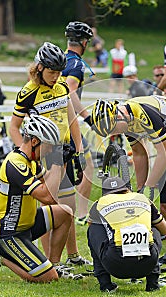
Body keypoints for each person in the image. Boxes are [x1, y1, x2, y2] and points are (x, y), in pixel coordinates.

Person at [91, 95, 166, 285]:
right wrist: (139, 191)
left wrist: (149, 187)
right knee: (164, 208)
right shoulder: (125, 121)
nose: (113, 134)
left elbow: (165, 152)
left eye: (112, 129)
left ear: (117, 116)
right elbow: (139, 154)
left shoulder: (142, 113)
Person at [8, 42, 90, 265]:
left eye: (59, 72)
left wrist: (79, 150)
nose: (55, 76)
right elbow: (13, 127)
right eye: (52, 72)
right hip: (44, 155)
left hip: (63, 152)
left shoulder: (62, 86)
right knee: (49, 209)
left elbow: (72, 119)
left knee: (69, 207)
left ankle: (73, 256)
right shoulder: (28, 92)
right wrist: (24, 155)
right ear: (40, 68)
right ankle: (48, 261)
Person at [0, 114, 79, 282]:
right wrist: (57, 164)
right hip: (7, 233)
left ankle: (55, 264)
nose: (49, 151)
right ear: (35, 141)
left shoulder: (31, 162)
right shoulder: (16, 164)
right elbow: (47, 196)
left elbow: (50, 184)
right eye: (48, 146)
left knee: (65, 212)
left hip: (26, 224)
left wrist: (64, 163)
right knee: (49, 278)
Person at [87, 176, 166, 292]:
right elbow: (165, 230)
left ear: (105, 194)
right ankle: (152, 283)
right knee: (154, 228)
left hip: (115, 265)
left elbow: (91, 229)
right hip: (147, 263)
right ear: (127, 190)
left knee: (93, 229)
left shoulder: (99, 203)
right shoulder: (143, 199)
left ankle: (106, 284)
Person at [61, 21, 95, 227]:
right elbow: (70, 91)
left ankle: (72, 210)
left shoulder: (59, 59)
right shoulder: (75, 64)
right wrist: (88, 117)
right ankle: (81, 213)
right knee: (88, 167)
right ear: (84, 42)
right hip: (68, 124)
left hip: (54, 122)